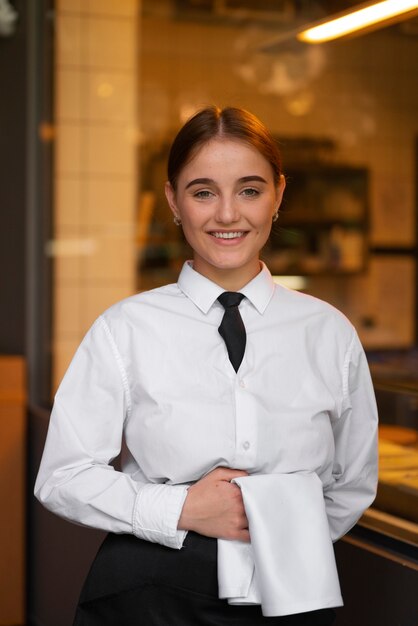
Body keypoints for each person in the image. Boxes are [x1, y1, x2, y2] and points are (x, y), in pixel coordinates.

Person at [35, 106, 378, 626]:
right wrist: (180, 511)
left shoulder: (330, 333)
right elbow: (62, 476)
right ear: (174, 200)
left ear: (278, 196)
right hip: (150, 596)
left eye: (249, 190)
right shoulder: (125, 328)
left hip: (293, 597)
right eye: (202, 192)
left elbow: (351, 483)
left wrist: (282, 533)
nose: (226, 215)